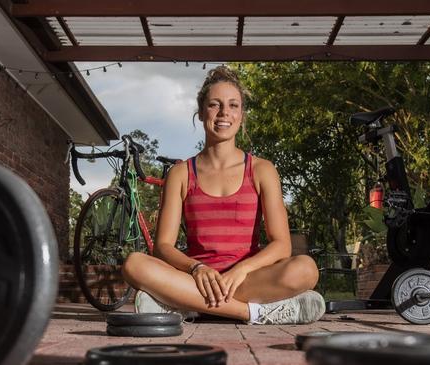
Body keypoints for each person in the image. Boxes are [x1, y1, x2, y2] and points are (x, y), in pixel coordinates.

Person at [122, 66, 324, 324]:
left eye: (233, 105)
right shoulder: (181, 174)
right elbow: (163, 247)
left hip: (247, 279)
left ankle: (186, 305)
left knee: (305, 269)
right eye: (215, 105)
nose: (224, 113)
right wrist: (197, 268)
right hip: (196, 279)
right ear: (201, 112)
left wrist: (242, 269)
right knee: (134, 264)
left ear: (242, 115)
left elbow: (282, 246)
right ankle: (254, 313)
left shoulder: (262, 170)